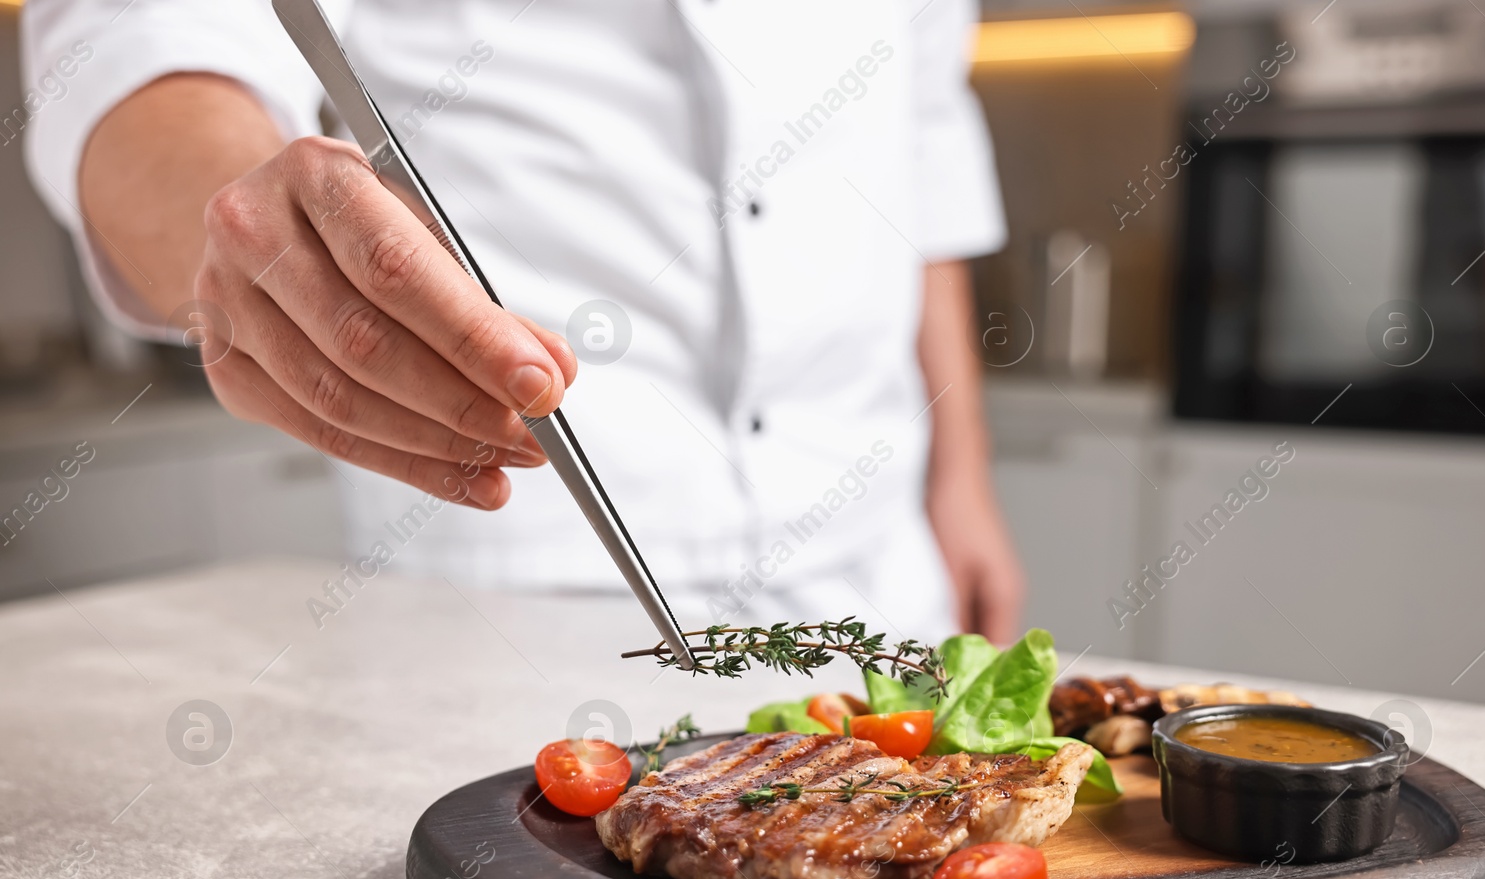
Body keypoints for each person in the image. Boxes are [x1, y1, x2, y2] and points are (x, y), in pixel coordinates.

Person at [22, 0, 1023, 642]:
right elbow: (142, 37)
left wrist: (961, 476)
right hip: (521, 574)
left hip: (876, 561)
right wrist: (235, 232)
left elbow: (921, 134)